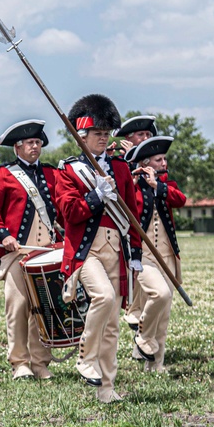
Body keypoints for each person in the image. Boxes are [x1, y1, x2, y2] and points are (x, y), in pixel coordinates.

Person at [55, 95, 141, 403]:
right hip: (86, 250)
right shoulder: (68, 171)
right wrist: (96, 196)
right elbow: (71, 213)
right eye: (97, 133)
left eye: (106, 133)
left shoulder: (119, 168)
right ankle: (85, 357)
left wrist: (137, 253)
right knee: (103, 297)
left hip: (116, 249)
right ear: (82, 135)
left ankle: (107, 388)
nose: (103, 138)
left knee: (113, 325)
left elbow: (132, 214)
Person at [0, 119, 58, 380]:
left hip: (47, 252)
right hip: (16, 253)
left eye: (38, 143)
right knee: (18, 307)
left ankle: (40, 362)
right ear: (17, 147)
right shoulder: (3, 175)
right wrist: (3, 235)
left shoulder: (52, 174)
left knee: (43, 307)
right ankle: (19, 363)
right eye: (29, 143)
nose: (35, 147)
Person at [125, 136, 185, 372]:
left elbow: (180, 200)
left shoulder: (166, 185)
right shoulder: (132, 187)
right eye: (159, 160)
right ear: (146, 163)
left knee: (165, 310)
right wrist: (135, 181)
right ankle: (142, 336)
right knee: (159, 295)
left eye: (164, 159)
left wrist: (156, 186)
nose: (164, 163)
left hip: (168, 254)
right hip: (144, 255)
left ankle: (156, 363)